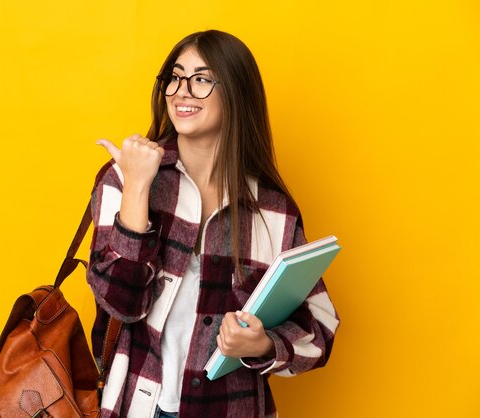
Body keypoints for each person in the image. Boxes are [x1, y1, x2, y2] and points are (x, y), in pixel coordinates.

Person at [86, 30, 339, 418]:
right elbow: (120, 303)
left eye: (202, 79)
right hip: (135, 405)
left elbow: (320, 325)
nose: (182, 91)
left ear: (236, 94)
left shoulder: (272, 209)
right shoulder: (127, 176)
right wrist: (138, 189)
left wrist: (263, 345)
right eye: (175, 76)